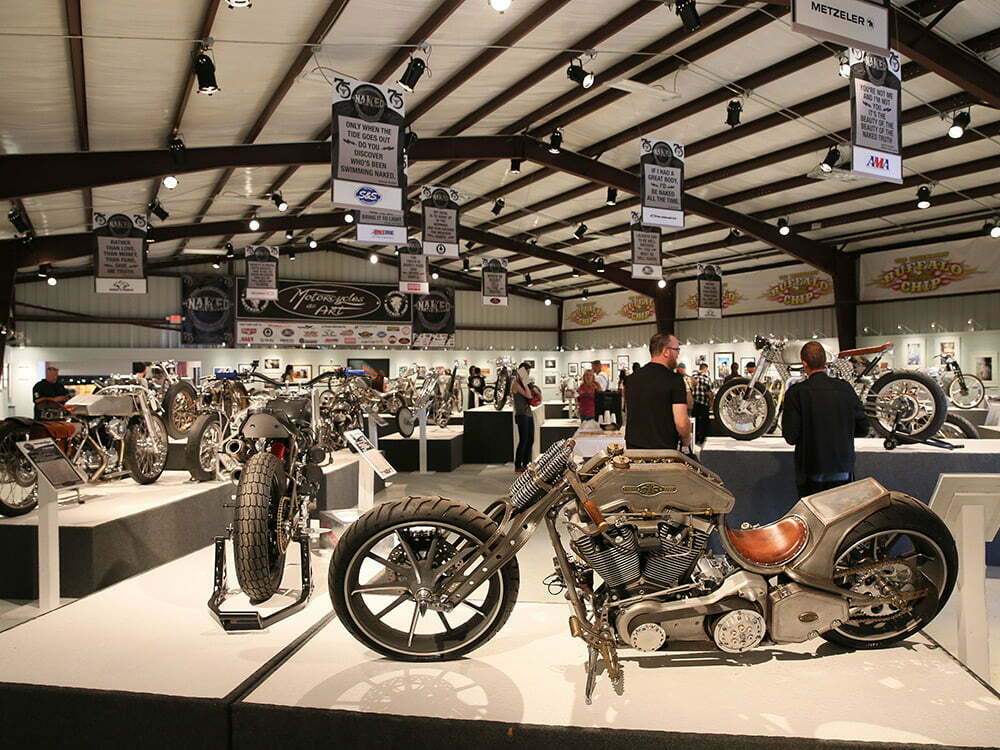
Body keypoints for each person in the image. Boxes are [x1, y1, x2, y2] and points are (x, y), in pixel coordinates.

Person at [782, 341, 870, 498]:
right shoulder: (845, 389)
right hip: (842, 467)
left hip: (810, 469)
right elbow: (863, 428)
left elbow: (791, 436)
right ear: (825, 361)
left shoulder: (796, 393)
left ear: (804, 363)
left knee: (814, 518)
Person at [624, 333, 692, 452]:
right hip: (663, 452)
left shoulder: (631, 379)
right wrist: (686, 438)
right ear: (666, 351)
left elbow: (629, 413)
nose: (678, 354)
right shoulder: (674, 380)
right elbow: (681, 423)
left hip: (633, 450)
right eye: (677, 350)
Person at [511, 361, 539, 473]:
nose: (527, 374)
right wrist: (525, 382)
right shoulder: (516, 384)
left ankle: (527, 463)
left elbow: (536, 395)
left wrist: (530, 386)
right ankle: (518, 465)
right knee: (523, 440)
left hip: (528, 413)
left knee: (530, 439)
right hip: (521, 414)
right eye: (525, 372)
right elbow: (528, 395)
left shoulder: (524, 383)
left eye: (528, 372)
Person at [691, 363, 713, 446]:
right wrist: (711, 402)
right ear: (705, 369)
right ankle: (703, 439)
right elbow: (709, 392)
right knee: (704, 422)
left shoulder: (693, 376)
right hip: (704, 402)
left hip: (695, 402)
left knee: (695, 421)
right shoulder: (706, 378)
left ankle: (695, 439)